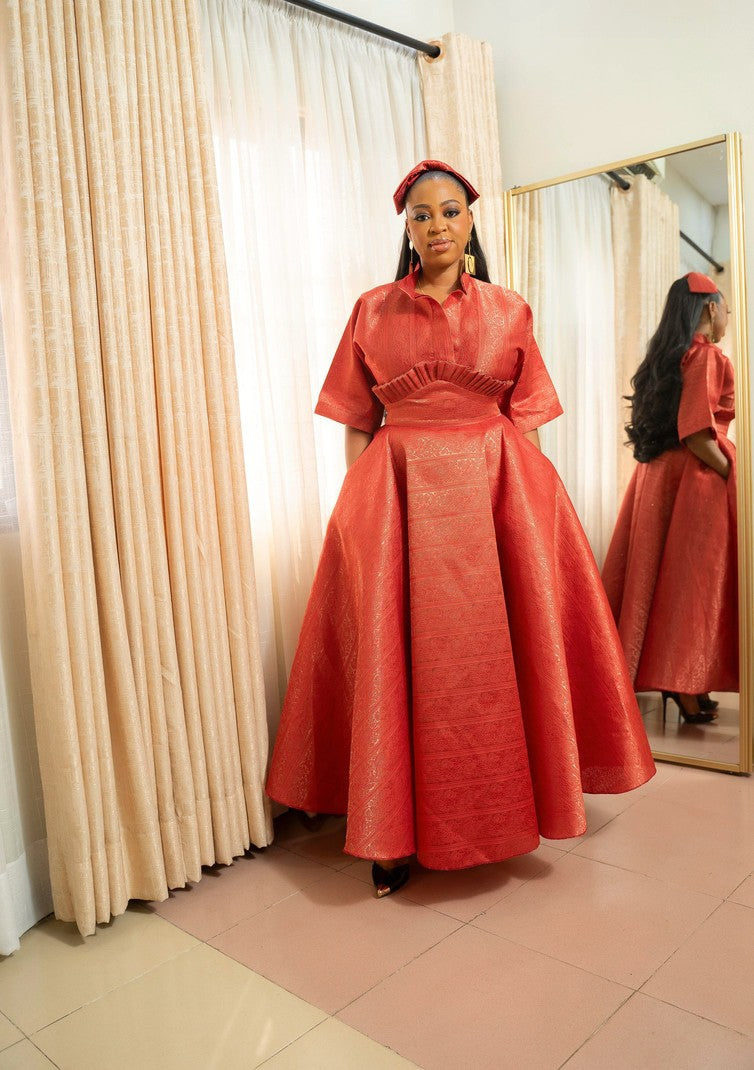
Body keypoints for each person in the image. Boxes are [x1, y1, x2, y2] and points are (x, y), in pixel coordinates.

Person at [266, 160, 655, 897]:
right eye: (421, 215)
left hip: (496, 491)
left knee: (498, 661)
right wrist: (359, 505)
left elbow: (526, 420)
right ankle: (392, 835)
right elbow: (357, 419)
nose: (436, 225)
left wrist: (537, 519)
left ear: (471, 221)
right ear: (406, 229)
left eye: (450, 211)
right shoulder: (371, 310)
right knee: (403, 656)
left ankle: (517, 806)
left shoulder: (509, 309)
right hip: (398, 496)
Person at [602, 272, 738, 725]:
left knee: (658, 581)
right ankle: (684, 682)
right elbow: (698, 433)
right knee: (692, 584)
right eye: (727, 310)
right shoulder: (708, 356)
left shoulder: (667, 358)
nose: (728, 319)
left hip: (657, 476)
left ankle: (679, 682)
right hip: (693, 480)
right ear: (712, 309)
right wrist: (734, 473)